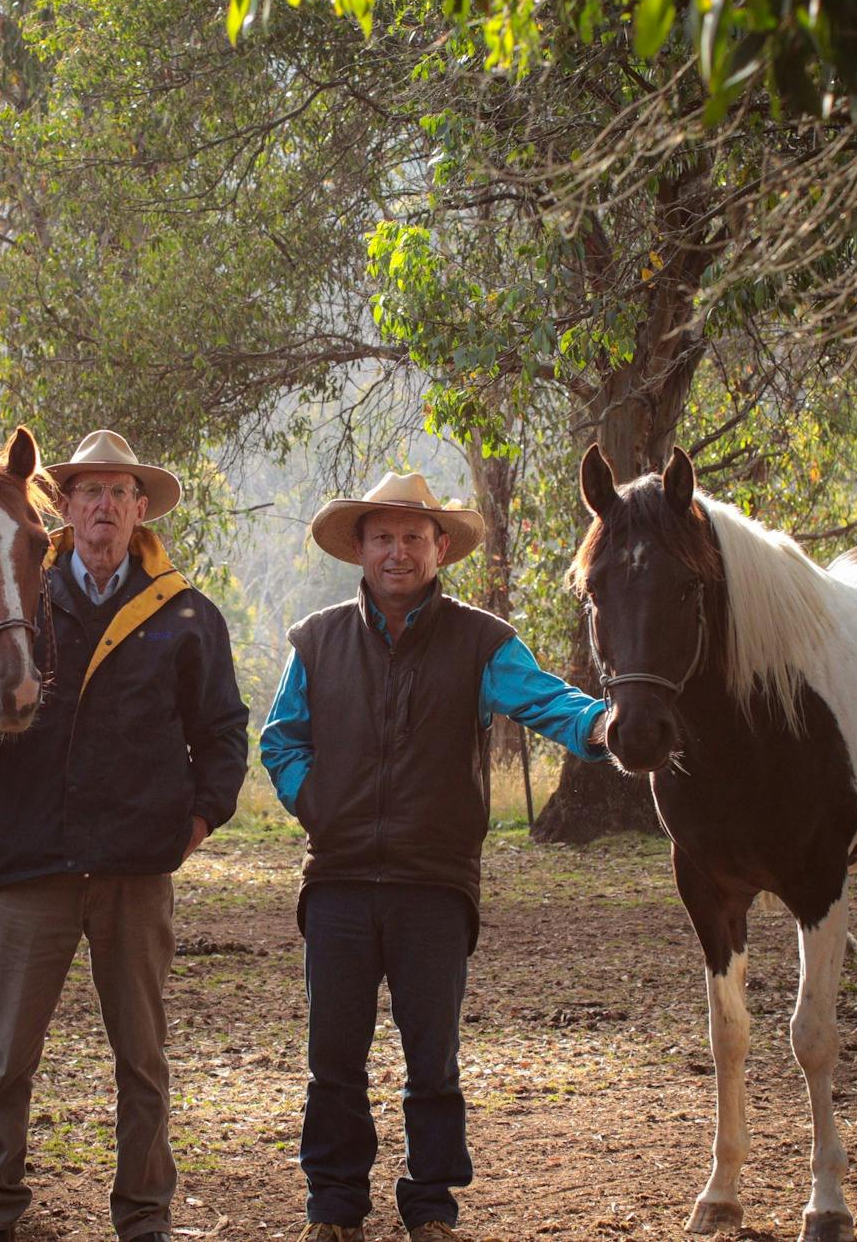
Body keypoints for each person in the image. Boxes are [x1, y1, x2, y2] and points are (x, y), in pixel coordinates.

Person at [260, 471, 611, 1242]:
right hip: (340, 883)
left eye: (413, 537)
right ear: (359, 547)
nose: (397, 552)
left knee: (433, 1058)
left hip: (435, 885)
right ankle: (334, 1204)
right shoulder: (315, 640)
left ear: (440, 547)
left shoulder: (482, 641)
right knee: (334, 1056)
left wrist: (607, 724)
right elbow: (280, 738)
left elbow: (549, 699)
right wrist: (314, 800)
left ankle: (431, 1205)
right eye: (382, 536)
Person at [0, 429, 250, 1242]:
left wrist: (196, 824)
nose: (103, 506)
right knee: (7, 1059)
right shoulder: (20, 598)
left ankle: (144, 1214)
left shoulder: (186, 613)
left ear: (140, 509)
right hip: (31, 861)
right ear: (64, 508)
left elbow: (222, 731)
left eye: (119, 491)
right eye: (87, 492)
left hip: (136, 873)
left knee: (143, 1061)